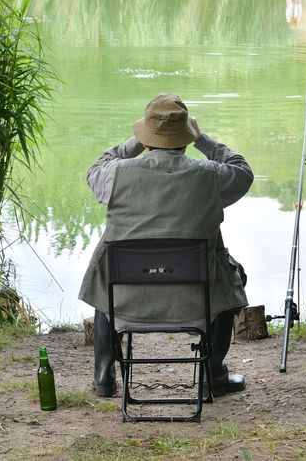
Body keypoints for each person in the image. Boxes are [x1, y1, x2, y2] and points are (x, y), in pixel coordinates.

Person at [79, 93, 253, 398]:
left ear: (145, 140)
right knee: (228, 272)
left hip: (124, 299)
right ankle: (212, 374)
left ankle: (104, 375)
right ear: (186, 140)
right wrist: (204, 140)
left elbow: (96, 168)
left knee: (106, 269)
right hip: (197, 301)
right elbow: (243, 172)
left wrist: (135, 143)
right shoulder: (211, 176)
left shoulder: (115, 175)